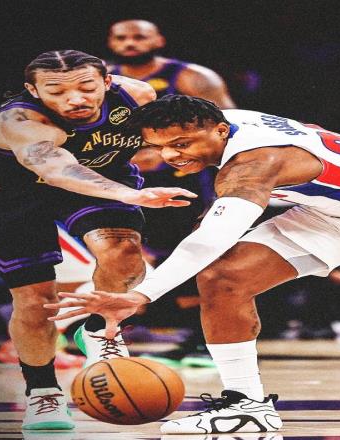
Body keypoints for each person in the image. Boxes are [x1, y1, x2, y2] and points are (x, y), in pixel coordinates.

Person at [46, 95, 340, 434]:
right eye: (159, 147)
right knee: (223, 278)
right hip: (329, 213)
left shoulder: (252, 164)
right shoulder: (226, 123)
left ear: (219, 131)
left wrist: (140, 295)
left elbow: (210, 240)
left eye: (181, 144)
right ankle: (247, 406)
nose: (170, 156)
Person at [0, 53, 196, 431]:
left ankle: (97, 329)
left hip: (100, 174)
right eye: (57, 91)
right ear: (33, 91)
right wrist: (131, 195)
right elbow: (57, 169)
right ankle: (43, 393)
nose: (75, 98)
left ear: (107, 82)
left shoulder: (139, 95)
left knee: (126, 256)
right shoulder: (18, 121)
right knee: (36, 300)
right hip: (4, 195)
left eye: (86, 87)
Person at [106, 19, 236, 366]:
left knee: (202, 260)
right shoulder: (102, 80)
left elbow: (229, 128)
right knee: (125, 259)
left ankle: (205, 344)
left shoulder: (193, 77)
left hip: (192, 184)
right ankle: (99, 335)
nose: (130, 43)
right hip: (127, 185)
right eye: (122, 38)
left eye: (139, 36)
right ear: (111, 42)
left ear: (158, 40)